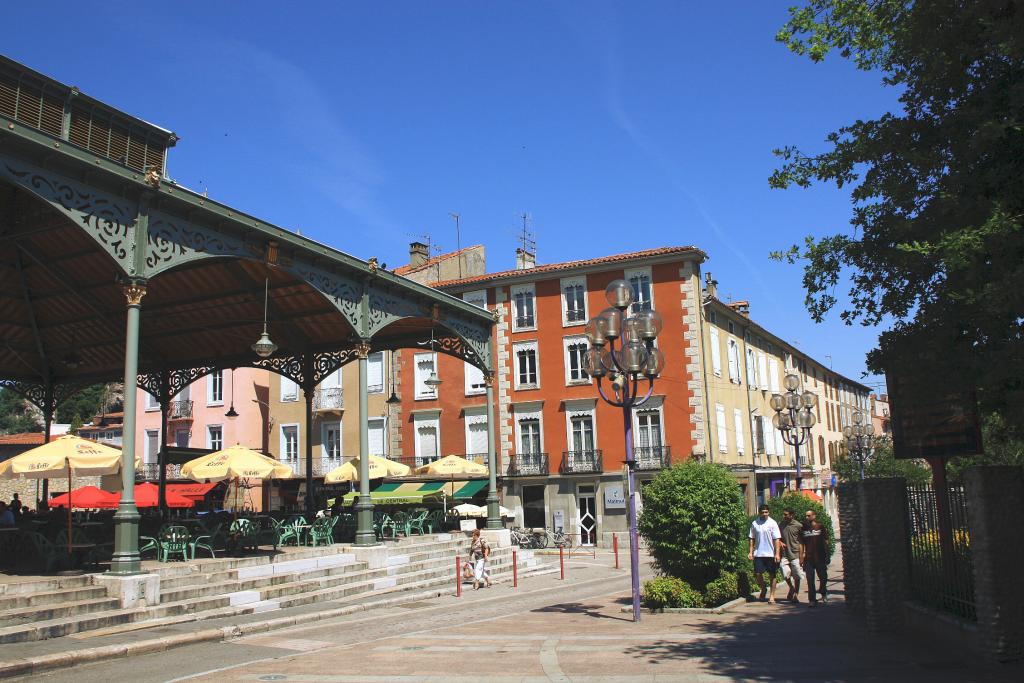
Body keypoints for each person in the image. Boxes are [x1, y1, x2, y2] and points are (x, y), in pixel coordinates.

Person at [748, 504, 782, 604]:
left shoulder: (773, 523)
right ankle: (763, 588)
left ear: (769, 512)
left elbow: (777, 539)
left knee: (772, 575)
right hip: (759, 553)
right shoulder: (755, 523)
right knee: (758, 574)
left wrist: (777, 554)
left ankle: (772, 596)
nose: (764, 514)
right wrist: (750, 552)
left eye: (766, 512)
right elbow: (751, 538)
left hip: (771, 553)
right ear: (759, 513)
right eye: (762, 512)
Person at [800, 509, 829, 607]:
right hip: (809, 558)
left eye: (809, 515)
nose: (807, 517)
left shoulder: (820, 527)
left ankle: (823, 591)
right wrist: (801, 557)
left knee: (823, 577)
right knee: (810, 579)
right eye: (806, 516)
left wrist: (827, 555)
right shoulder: (803, 529)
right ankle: (812, 600)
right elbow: (801, 544)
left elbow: (826, 541)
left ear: (814, 516)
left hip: (820, 557)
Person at [779, 508, 805, 602]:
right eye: (783, 514)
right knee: (784, 572)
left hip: (795, 553)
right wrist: (780, 543)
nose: (784, 516)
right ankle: (791, 587)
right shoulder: (781, 525)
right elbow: (778, 537)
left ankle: (796, 594)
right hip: (785, 553)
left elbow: (802, 542)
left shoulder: (798, 526)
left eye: (786, 514)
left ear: (791, 515)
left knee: (796, 574)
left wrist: (802, 555)